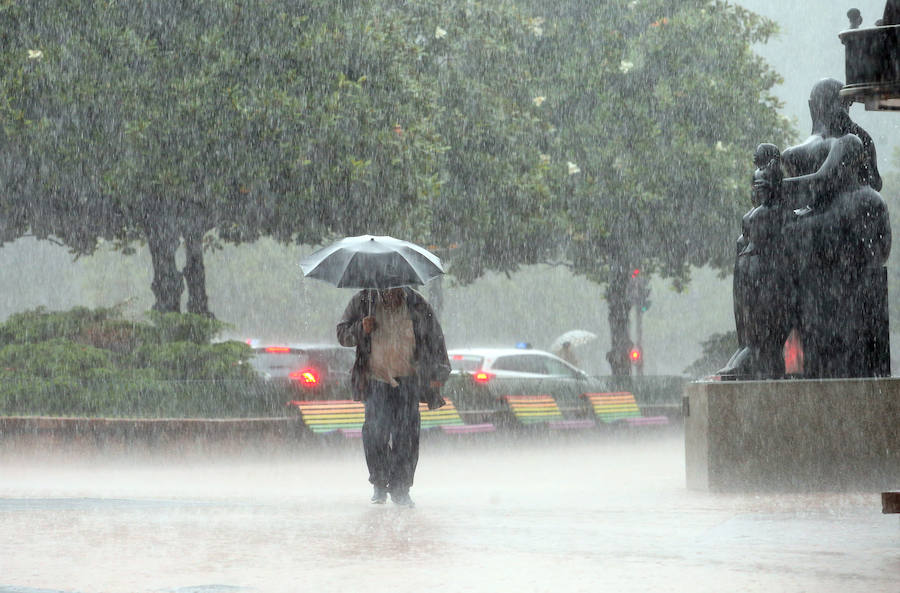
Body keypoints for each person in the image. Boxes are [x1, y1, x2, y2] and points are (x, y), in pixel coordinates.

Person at [336, 285, 450, 507]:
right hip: (376, 380)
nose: (391, 293)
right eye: (387, 289)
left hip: (408, 381)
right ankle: (380, 483)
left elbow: (436, 338)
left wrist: (438, 373)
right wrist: (361, 328)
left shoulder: (417, 304)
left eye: (396, 288)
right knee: (375, 433)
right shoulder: (363, 301)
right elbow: (342, 334)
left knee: (407, 437)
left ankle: (401, 489)